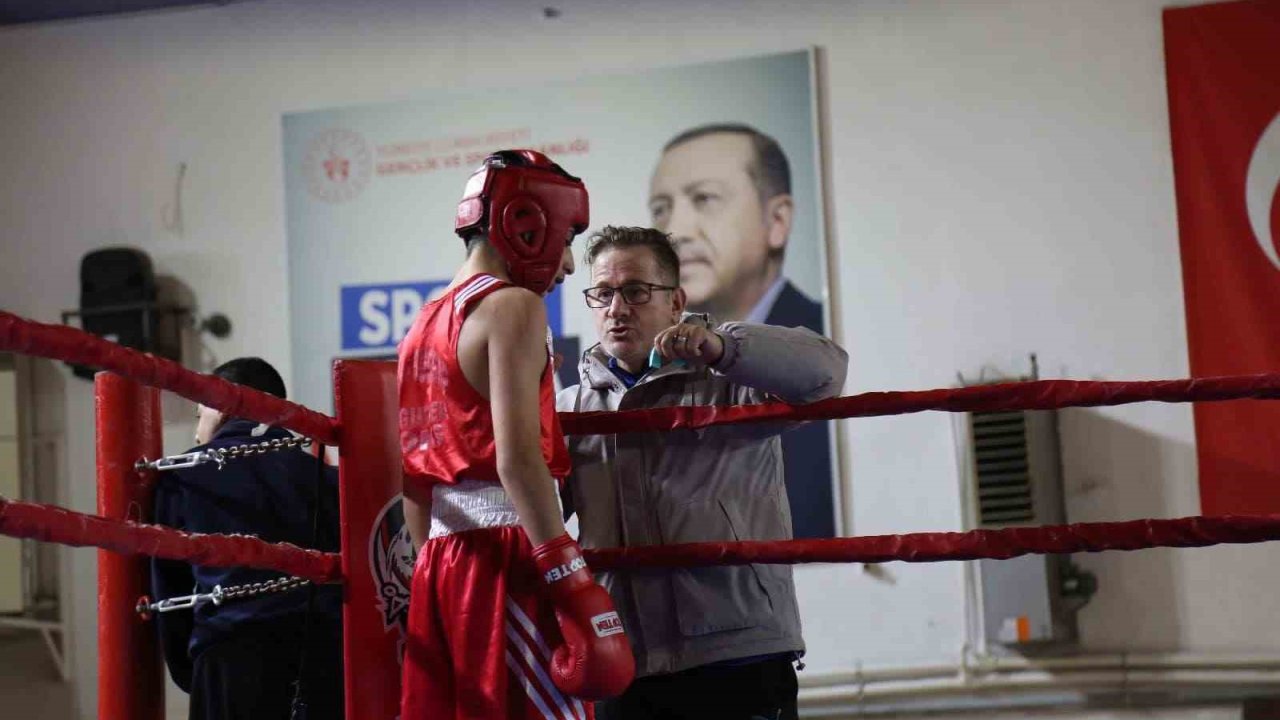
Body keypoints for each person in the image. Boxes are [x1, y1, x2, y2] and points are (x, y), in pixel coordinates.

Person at [558, 226, 849, 720]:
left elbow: (826, 372)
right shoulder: (569, 409)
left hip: (737, 654)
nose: (617, 308)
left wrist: (723, 347)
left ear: (676, 302)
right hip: (624, 659)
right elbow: (529, 514)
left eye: (635, 291)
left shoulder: (731, 383)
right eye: (603, 293)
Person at [397, 149, 634, 719]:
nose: (570, 265)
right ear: (527, 224)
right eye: (568, 238)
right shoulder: (514, 309)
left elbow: (413, 476)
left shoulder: (423, 322)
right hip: (512, 550)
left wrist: (425, 573)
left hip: (438, 562)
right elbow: (518, 459)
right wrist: (567, 573)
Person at [648, 122, 837, 538]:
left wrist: (724, 349)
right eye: (661, 208)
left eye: (705, 199)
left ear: (777, 220)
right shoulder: (649, 364)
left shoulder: (815, 343)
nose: (675, 230)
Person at [151, 357, 344, 720]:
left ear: (218, 407)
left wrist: (193, 669)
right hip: (321, 660)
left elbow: (170, 593)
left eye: (198, 415)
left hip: (230, 657)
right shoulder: (326, 480)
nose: (196, 432)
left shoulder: (184, 476)